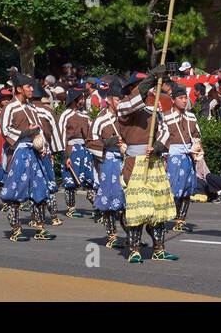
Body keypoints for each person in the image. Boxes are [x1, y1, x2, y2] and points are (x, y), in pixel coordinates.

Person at [116, 77, 177, 263]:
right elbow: (128, 106)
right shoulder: (124, 108)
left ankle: (159, 248)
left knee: (158, 207)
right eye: (140, 89)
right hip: (134, 164)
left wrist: (158, 146)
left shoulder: (154, 111)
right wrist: (149, 80)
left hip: (154, 162)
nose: (147, 92)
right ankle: (134, 249)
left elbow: (166, 130)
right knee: (139, 207)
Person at [0, 76, 55, 242]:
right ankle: (16, 229)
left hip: (35, 152)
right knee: (17, 190)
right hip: (20, 152)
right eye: (28, 86)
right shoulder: (10, 107)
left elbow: (39, 131)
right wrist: (25, 133)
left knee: (39, 189)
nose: (32, 89)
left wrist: (44, 148)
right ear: (18, 89)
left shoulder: (32, 107)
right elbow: (5, 130)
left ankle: (40, 227)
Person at [162, 84, 201, 232]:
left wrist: (197, 147)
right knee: (172, 189)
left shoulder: (191, 116)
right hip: (173, 157)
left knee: (186, 190)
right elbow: (162, 139)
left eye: (186, 98)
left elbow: (197, 135)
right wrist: (164, 158)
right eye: (181, 98)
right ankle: (165, 220)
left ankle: (180, 220)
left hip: (188, 156)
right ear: (173, 100)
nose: (184, 101)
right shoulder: (166, 117)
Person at [90, 89, 126, 247]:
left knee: (126, 198)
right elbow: (90, 142)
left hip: (126, 160)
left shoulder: (125, 117)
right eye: (118, 99)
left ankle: (131, 236)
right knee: (110, 198)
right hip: (109, 161)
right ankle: (112, 235)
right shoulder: (101, 119)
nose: (120, 102)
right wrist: (108, 143)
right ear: (110, 100)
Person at [58, 89, 96, 217]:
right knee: (71, 180)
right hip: (71, 149)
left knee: (90, 178)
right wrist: (65, 155)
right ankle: (71, 208)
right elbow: (61, 135)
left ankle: (96, 205)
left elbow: (91, 134)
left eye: (84, 98)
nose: (83, 101)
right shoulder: (65, 115)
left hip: (85, 149)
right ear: (74, 100)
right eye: (80, 98)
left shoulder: (85, 115)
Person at [31, 84, 64, 226]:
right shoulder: (47, 112)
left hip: (30, 152)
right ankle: (54, 216)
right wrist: (56, 151)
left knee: (33, 185)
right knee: (49, 183)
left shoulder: (27, 110)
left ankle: (36, 218)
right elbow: (55, 135)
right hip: (46, 150)